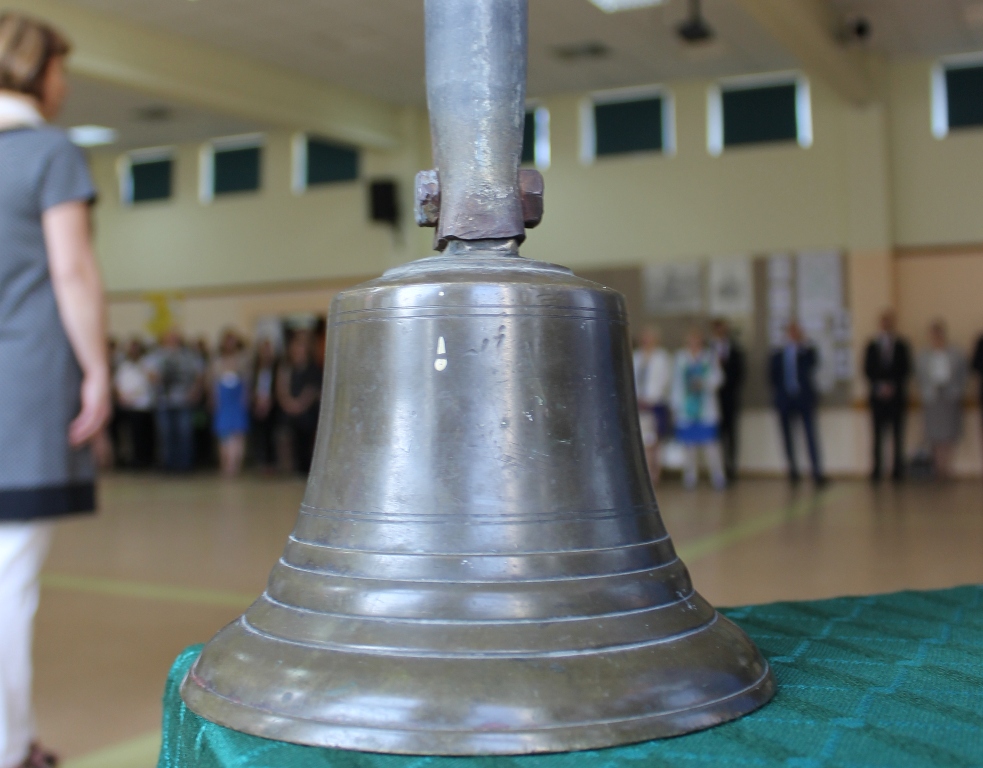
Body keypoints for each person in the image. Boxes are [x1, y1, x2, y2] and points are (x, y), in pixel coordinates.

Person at [0, 14, 110, 768]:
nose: (65, 86)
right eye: (60, 70)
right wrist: (97, 367)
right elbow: (71, 273)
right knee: (11, 583)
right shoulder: (48, 152)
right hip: (25, 387)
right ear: (36, 71)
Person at [769, 322, 826, 485]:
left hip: (804, 399)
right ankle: (793, 471)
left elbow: (814, 365)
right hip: (785, 400)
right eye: (791, 332)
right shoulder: (778, 353)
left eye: (796, 332)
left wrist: (802, 346)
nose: (793, 335)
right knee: (787, 436)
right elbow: (772, 377)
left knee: (810, 435)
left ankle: (816, 471)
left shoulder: (807, 352)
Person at [670, 329, 726, 490]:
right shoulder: (681, 358)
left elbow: (719, 378)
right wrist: (675, 406)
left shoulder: (709, 357)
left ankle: (718, 476)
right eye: (691, 342)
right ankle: (690, 476)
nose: (694, 345)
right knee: (689, 446)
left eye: (697, 341)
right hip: (686, 408)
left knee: (711, 445)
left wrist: (705, 382)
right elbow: (677, 383)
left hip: (705, 408)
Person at [864, 311, 912, 482]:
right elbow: (867, 369)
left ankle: (897, 470)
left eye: (888, 322)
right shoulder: (872, 345)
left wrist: (892, 386)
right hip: (878, 397)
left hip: (896, 396)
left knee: (897, 434)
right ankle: (877, 470)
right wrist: (880, 386)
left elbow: (906, 369)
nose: (886, 325)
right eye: (883, 322)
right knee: (877, 434)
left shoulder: (901, 345)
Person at [147, 330, 205, 472]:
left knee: (184, 434)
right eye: (169, 338)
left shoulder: (189, 355)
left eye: (174, 338)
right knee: (166, 434)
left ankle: (184, 464)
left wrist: (195, 391)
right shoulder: (156, 356)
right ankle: (168, 464)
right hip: (164, 401)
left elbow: (199, 375)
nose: (172, 341)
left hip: (184, 401)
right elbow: (150, 375)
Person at [917, 320, 967, 479]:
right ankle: (937, 466)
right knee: (934, 434)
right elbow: (920, 377)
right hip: (932, 398)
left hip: (949, 397)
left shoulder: (954, 354)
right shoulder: (924, 355)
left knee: (949, 434)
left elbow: (962, 374)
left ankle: (948, 466)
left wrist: (956, 390)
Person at [277, 330, 322, 475]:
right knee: (289, 441)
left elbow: (311, 390)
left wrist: (299, 405)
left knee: (306, 442)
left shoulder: (313, 368)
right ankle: (292, 469)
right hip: (289, 413)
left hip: (307, 413)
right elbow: (282, 389)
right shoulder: (287, 368)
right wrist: (289, 404)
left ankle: (306, 470)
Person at [632, 326, 672, 485]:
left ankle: (655, 474)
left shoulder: (662, 357)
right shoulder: (636, 357)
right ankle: (644, 473)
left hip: (655, 404)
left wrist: (651, 398)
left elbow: (664, 381)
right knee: (643, 442)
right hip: (638, 404)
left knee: (655, 442)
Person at [710, 318, 745, 482]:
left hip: (730, 397)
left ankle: (731, 466)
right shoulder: (708, 350)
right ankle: (718, 468)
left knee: (731, 433)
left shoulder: (735, 350)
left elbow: (740, 374)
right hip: (712, 398)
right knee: (716, 434)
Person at [211, 330, 250, 477]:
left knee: (237, 435)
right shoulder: (217, 361)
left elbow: (246, 382)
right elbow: (213, 382)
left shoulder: (243, 360)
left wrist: (244, 399)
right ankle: (225, 464)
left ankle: (235, 466)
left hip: (237, 400)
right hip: (224, 401)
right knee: (224, 435)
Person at [113, 339, 156, 469]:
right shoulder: (124, 366)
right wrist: (122, 396)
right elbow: (118, 384)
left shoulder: (147, 364)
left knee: (146, 436)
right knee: (133, 436)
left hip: (144, 406)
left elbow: (153, 380)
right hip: (130, 406)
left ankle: (147, 460)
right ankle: (135, 460)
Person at [250, 338, 279, 472]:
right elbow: (253, 386)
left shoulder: (276, 366)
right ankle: (261, 462)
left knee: (270, 434)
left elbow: (278, 386)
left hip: (272, 405)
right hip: (257, 404)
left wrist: (269, 401)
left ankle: (270, 463)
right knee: (259, 435)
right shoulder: (255, 367)